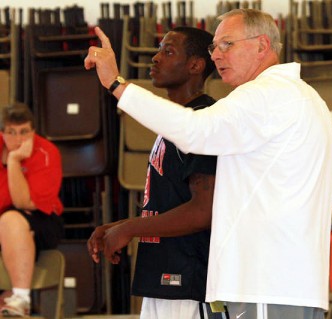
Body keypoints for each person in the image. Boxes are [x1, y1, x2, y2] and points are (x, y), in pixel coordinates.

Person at [85, 8, 332, 319]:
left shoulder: (263, 95)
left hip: (261, 283)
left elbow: (194, 130)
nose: (217, 55)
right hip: (295, 284)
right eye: (214, 47)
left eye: (227, 45)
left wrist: (117, 85)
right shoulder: (310, 100)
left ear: (262, 46)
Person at [87, 26, 226, 319]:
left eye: (168, 51)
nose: (155, 58)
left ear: (195, 65)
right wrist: (118, 225)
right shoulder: (173, 122)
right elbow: (172, 203)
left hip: (189, 281)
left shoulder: (204, 121)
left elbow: (203, 210)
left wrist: (129, 229)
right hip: (163, 279)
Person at [0, 103, 64, 317]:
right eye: (11, 132)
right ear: (3, 133)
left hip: (42, 219)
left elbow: (22, 202)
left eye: (24, 132)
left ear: (33, 132)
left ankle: (20, 299)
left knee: (11, 219)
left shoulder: (47, 152)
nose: (18, 139)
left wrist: (14, 160)